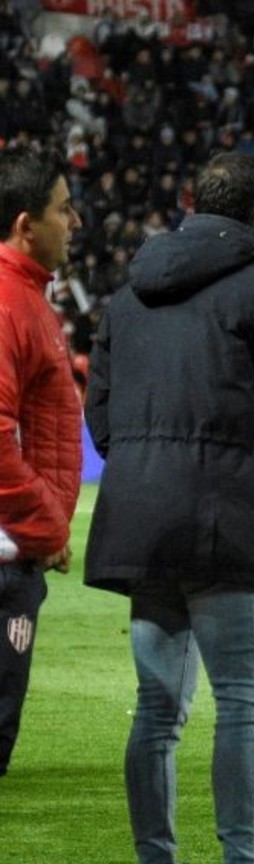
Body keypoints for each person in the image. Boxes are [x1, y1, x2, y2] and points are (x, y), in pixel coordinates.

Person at [85, 153, 254, 864]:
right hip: (222, 515)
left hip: (138, 517)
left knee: (157, 710)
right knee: (243, 703)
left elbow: (98, 416)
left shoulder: (126, 299)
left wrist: (145, 465)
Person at [0, 147, 81, 781]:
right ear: (26, 225)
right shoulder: (7, 304)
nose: (74, 221)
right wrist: (47, 526)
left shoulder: (27, 299)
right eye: (63, 208)